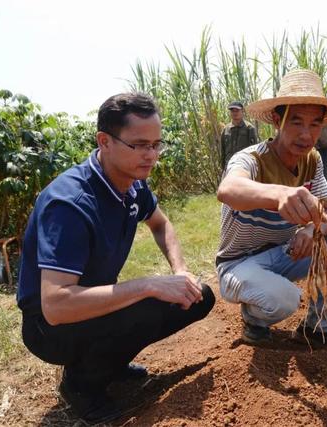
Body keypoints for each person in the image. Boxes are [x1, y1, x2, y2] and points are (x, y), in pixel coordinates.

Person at [16, 93, 215, 424]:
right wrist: (148, 285)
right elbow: (56, 306)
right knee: (146, 306)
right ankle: (80, 387)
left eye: (156, 144)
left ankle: (110, 361)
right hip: (49, 328)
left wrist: (181, 271)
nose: (151, 155)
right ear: (104, 141)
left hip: (94, 305)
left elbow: (161, 223)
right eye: (139, 145)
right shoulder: (71, 204)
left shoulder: (132, 185)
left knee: (197, 297)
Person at [215, 69, 327, 348]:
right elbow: (228, 190)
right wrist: (279, 194)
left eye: (315, 125)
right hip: (239, 264)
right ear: (278, 121)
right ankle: (254, 320)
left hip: (284, 253)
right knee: (285, 299)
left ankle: (319, 328)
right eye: (296, 122)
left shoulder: (312, 161)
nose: (306, 135)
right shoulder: (252, 160)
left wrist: (310, 229)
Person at [220, 101, 259, 168]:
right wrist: (223, 167)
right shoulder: (226, 129)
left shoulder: (249, 128)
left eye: (237, 110)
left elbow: (254, 150)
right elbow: (223, 150)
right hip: (228, 166)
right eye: (232, 111)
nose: (235, 113)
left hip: (244, 166)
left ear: (242, 111)